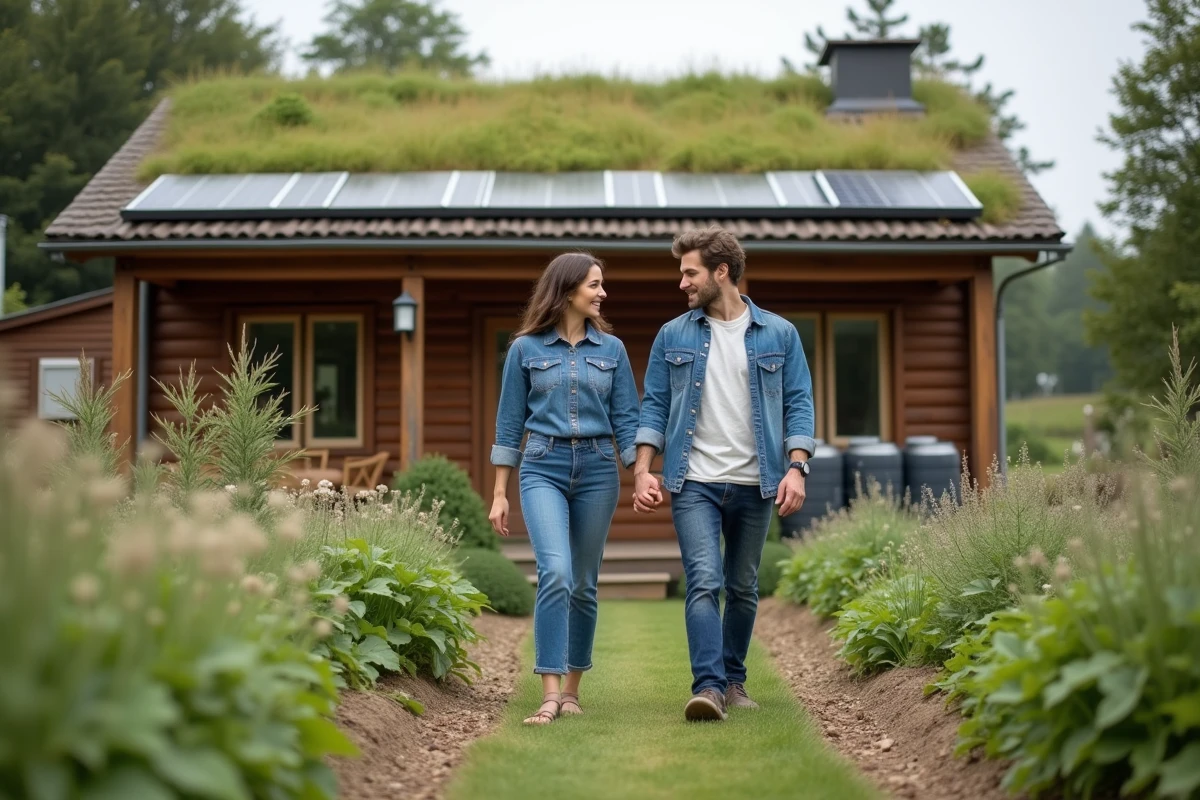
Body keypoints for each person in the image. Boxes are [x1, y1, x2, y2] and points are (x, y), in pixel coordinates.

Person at [632, 225, 815, 722]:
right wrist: (643, 470)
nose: (682, 283)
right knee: (704, 579)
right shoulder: (674, 334)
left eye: (690, 273)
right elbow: (654, 407)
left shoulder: (779, 333)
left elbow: (800, 404)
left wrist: (797, 468)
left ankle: (734, 681)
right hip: (694, 481)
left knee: (743, 585)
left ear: (721, 272)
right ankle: (708, 688)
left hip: (758, 481)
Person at [488, 252, 640, 726]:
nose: (602, 293)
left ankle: (573, 690)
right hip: (542, 466)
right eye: (594, 285)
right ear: (568, 289)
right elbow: (510, 424)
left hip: (598, 468)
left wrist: (643, 473)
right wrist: (499, 491)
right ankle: (549, 692)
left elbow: (628, 420)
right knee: (555, 570)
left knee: (584, 583)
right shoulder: (525, 350)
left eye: (602, 284)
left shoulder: (611, 350)